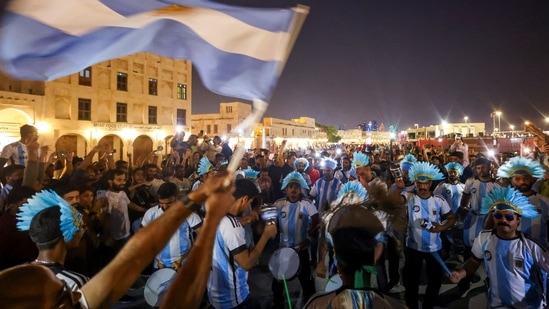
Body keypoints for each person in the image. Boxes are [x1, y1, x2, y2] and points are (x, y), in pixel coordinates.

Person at [0, 170, 236, 309]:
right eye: (61, 295)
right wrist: (212, 219)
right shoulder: (71, 282)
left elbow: (130, 261)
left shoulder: (30, 279)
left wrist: (194, 198)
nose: (82, 225)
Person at [450, 186, 549, 308]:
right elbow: (474, 262)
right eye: (497, 216)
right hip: (496, 305)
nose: (503, 220)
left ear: (518, 219)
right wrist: (461, 273)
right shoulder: (484, 238)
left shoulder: (531, 246)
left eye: (509, 217)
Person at [305, 190, 407, 308]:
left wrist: (321, 262)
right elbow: (379, 243)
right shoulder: (395, 306)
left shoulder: (317, 305)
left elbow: (379, 243)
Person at [207, 178, 277, 309]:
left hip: (214, 291)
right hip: (233, 298)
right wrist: (266, 235)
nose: (248, 206)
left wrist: (244, 220)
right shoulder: (233, 226)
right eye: (250, 202)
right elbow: (247, 263)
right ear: (244, 199)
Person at [402, 161, 455, 309]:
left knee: (435, 281)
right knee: (411, 282)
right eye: (419, 182)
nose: (422, 186)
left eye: (425, 183)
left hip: (434, 248)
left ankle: (428, 306)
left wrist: (441, 228)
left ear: (431, 183)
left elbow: (451, 218)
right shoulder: (409, 197)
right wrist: (398, 187)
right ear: (415, 182)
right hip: (413, 248)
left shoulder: (439, 200)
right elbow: (396, 201)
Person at [16, 189, 89, 290]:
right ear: (66, 235)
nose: (84, 230)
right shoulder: (73, 283)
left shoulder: (16, 275)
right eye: (81, 226)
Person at [272, 171, 319, 308]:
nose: (293, 189)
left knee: (306, 283)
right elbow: (269, 219)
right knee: (277, 284)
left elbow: (317, 221)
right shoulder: (279, 203)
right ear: (286, 189)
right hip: (283, 249)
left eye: (296, 187)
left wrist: (309, 237)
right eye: (290, 186)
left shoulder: (307, 203)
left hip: (301, 249)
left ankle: (311, 304)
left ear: (301, 189)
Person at [141, 182, 202, 270]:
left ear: (177, 197)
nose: (165, 207)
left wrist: (186, 256)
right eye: (161, 203)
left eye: (169, 203)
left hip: (184, 264)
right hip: (159, 265)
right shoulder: (151, 213)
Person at [497, 156, 549, 246]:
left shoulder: (545, 202)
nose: (522, 181)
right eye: (517, 178)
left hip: (540, 253)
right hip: (511, 252)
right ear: (511, 181)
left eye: (526, 178)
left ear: (532, 179)